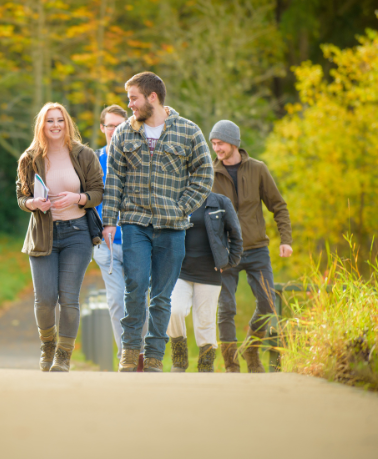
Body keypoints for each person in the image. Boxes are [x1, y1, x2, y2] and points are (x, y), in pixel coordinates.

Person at [102, 71, 214, 373]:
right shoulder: (125, 134)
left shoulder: (188, 132)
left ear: (153, 97)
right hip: (135, 223)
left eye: (133, 98)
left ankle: (154, 355)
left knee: (162, 295)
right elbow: (113, 181)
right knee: (135, 286)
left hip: (173, 227)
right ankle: (129, 350)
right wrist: (109, 222)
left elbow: (204, 174)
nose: (130, 106)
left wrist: (182, 207)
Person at [16, 102, 104, 372]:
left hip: (77, 233)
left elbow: (98, 192)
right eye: (49, 121)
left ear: (67, 124)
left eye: (60, 120)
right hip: (44, 234)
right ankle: (48, 345)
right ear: (41, 126)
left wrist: (78, 198)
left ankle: (64, 354)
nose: (55, 125)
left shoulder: (84, 155)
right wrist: (33, 204)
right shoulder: (30, 158)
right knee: (44, 299)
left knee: (69, 298)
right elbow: (21, 196)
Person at [209, 120, 292, 373]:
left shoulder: (258, 169)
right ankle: (231, 365)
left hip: (257, 249)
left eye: (220, 143)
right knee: (226, 309)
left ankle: (252, 348)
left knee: (268, 303)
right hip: (226, 254)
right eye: (213, 144)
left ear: (234, 143)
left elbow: (278, 205)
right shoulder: (210, 175)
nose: (216, 149)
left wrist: (286, 240)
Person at [92, 105, 148, 360]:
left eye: (119, 125)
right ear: (102, 128)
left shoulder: (139, 158)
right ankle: (126, 355)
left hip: (139, 242)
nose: (115, 130)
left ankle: (142, 355)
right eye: (110, 125)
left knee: (139, 302)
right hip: (108, 246)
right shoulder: (92, 161)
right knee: (116, 301)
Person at [166, 192, 242, 372]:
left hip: (209, 272)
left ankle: (206, 366)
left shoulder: (221, 201)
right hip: (179, 270)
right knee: (173, 310)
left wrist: (228, 261)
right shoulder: (176, 197)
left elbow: (236, 235)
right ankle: (179, 356)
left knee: (205, 322)